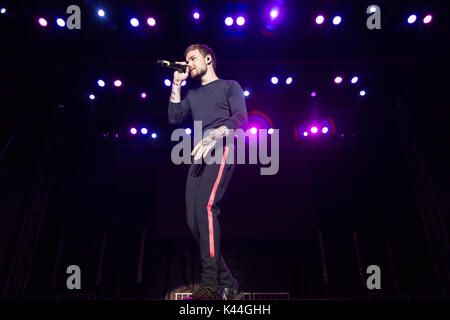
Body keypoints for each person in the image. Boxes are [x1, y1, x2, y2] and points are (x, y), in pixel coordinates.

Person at [167, 44, 248, 300]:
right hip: (199, 155)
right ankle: (228, 283)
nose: (188, 63)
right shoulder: (192, 93)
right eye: (186, 60)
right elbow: (173, 117)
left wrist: (214, 135)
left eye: (192, 58)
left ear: (208, 59)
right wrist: (176, 84)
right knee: (194, 221)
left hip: (222, 146)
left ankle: (210, 285)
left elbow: (240, 117)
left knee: (206, 209)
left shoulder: (229, 86)